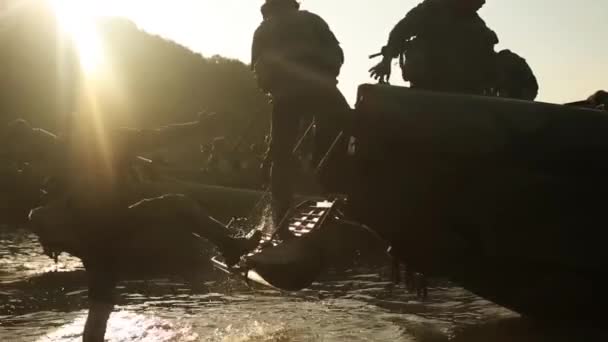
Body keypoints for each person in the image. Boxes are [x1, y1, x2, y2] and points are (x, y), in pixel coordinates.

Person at [251, 0, 351, 236]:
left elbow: (258, 68)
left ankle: (280, 220)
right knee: (345, 127)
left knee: (280, 154)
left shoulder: (263, 29)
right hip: (320, 87)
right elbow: (337, 54)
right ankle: (331, 186)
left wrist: (272, 88)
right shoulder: (312, 20)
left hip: (286, 94)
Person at [370, 0, 498, 94]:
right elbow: (400, 31)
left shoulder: (478, 26)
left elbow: (488, 59)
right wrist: (386, 61)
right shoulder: (432, 10)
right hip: (429, 84)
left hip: (464, 89)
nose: (483, 2)